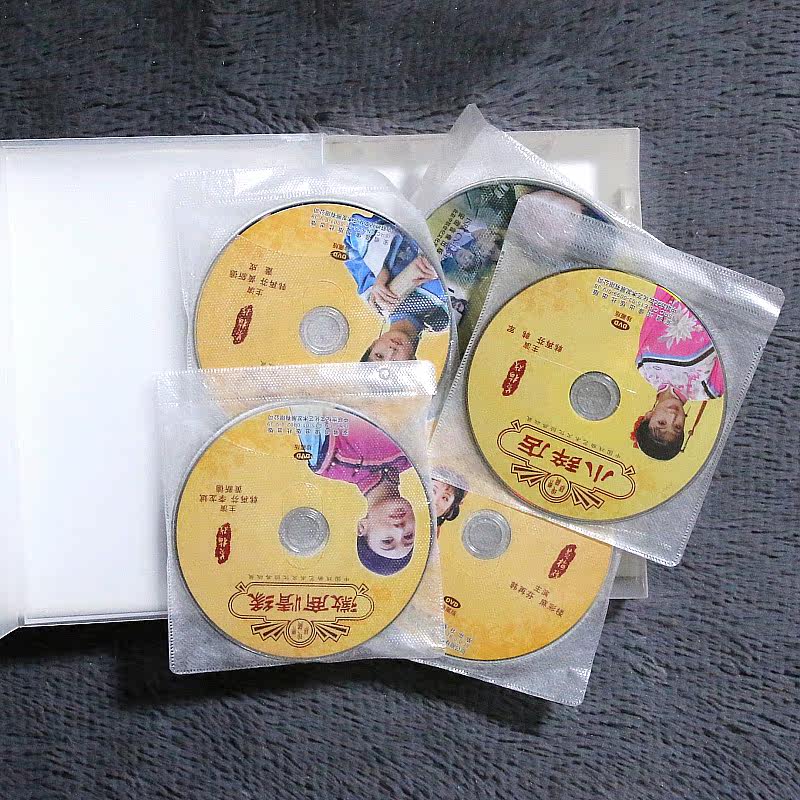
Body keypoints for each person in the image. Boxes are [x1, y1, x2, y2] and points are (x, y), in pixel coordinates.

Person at [293, 409, 416, 575]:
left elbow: (305, 398)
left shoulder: (326, 460)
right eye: (408, 536)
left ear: (362, 528)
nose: (400, 529)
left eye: (388, 541)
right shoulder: (417, 453)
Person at [632, 287, 725, 460]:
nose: (673, 416)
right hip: (723, 298)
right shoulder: (709, 389)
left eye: (662, 423)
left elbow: (657, 308)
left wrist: (671, 280)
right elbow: (731, 340)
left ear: (648, 416)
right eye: (677, 427)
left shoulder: (644, 367)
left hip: (685, 284)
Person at [343, 213, 451, 361]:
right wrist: (444, 271)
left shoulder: (375, 295)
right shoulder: (444, 319)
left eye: (379, 355)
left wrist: (380, 268)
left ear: (373, 345)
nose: (391, 351)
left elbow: (356, 226)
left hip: (418, 208)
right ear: (412, 361)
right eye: (395, 362)